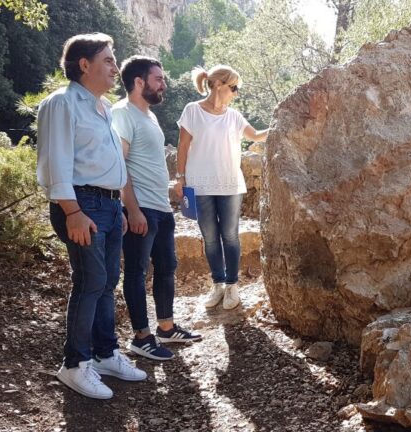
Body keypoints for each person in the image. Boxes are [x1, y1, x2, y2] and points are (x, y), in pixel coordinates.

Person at [36, 33, 147, 400]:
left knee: (106, 281)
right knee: (90, 281)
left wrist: (125, 207)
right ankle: (74, 364)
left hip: (109, 206)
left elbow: (112, 163)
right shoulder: (62, 103)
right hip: (83, 206)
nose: (116, 67)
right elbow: (55, 163)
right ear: (84, 65)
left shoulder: (102, 108)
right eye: (109, 60)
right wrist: (73, 212)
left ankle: (104, 354)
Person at [112, 56, 202, 362]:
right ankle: (141, 337)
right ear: (139, 82)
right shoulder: (122, 114)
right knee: (136, 272)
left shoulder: (148, 115)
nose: (164, 84)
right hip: (141, 209)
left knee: (167, 267)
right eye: (158, 79)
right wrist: (132, 209)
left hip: (160, 208)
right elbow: (119, 164)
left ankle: (165, 327)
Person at [174, 65, 268, 309]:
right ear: (218, 84)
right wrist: (180, 178)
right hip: (200, 185)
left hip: (230, 185)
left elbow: (256, 136)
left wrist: (280, 125)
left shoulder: (234, 116)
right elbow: (183, 146)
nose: (236, 93)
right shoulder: (192, 111)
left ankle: (233, 286)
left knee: (230, 235)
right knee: (210, 238)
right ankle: (218, 284)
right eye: (233, 87)